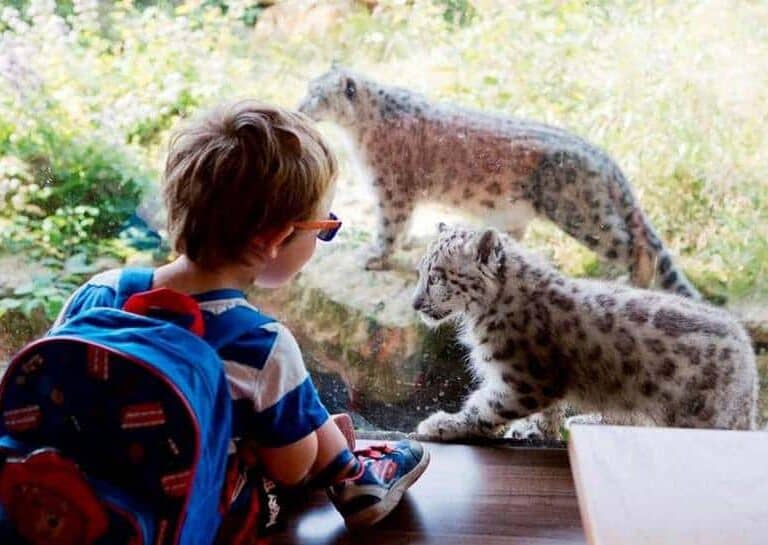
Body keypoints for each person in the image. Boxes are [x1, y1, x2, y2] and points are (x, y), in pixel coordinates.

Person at [51, 100, 430, 533]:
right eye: (324, 226)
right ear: (276, 238)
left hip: (70, 507)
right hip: (188, 521)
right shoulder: (258, 343)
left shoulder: (99, 293)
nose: (326, 232)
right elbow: (292, 468)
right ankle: (350, 473)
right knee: (285, 436)